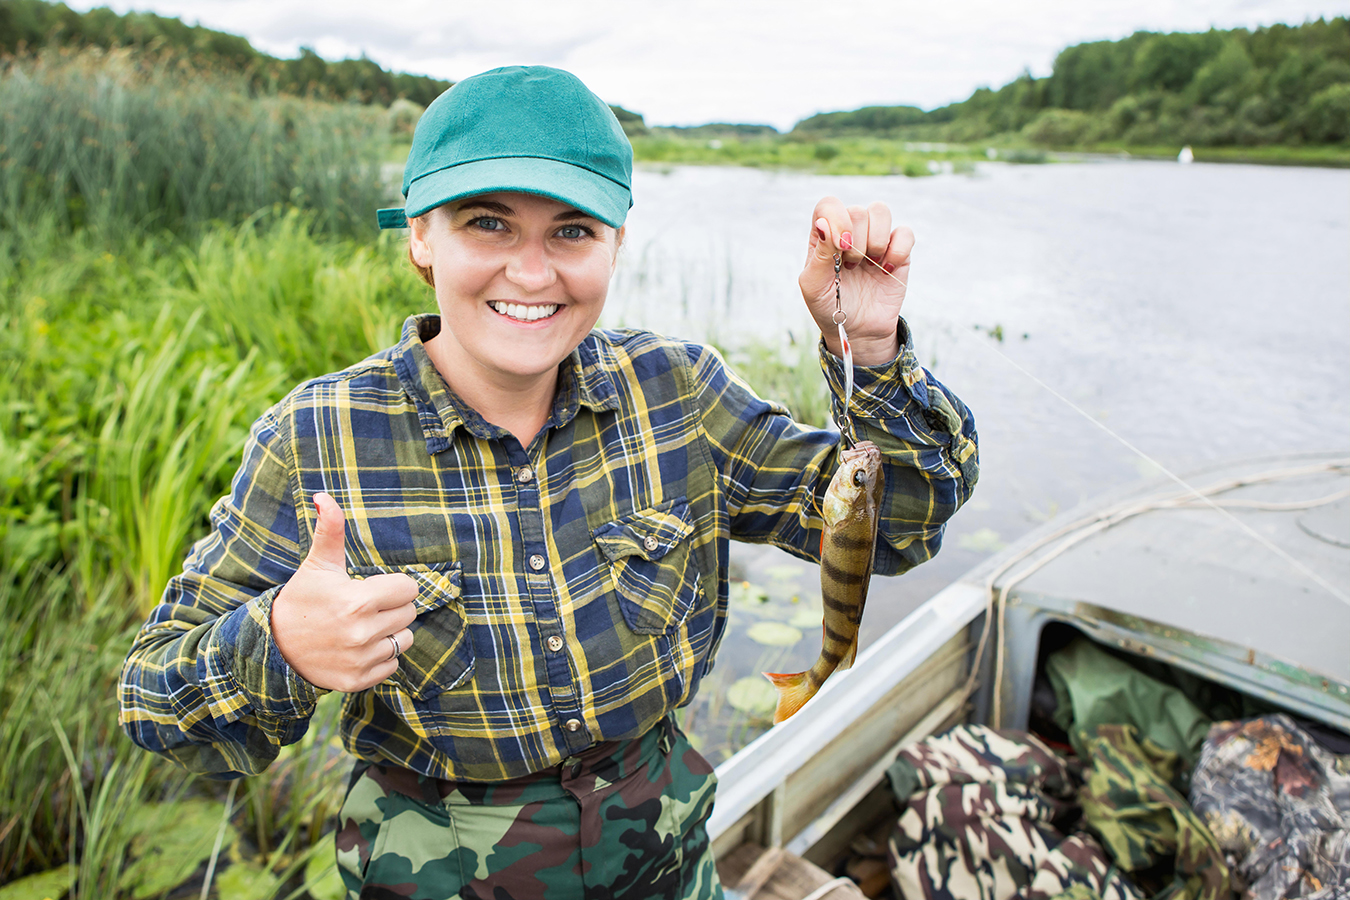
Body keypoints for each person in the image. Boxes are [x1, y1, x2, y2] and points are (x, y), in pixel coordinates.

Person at [119, 65, 979, 900]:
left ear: (616, 244)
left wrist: (868, 349)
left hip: (666, 864)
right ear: (421, 235)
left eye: (572, 230)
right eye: (487, 224)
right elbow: (152, 701)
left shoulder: (679, 392)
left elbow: (897, 525)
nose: (532, 275)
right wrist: (279, 642)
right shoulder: (317, 439)